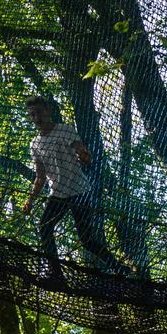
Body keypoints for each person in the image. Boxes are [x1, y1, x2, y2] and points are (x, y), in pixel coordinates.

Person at [19, 95, 127, 278]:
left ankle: (119, 268)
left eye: (39, 112)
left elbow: (81, 149)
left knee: (87, 240)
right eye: (32, 114)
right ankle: (56, 274)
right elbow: (40, 176)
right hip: (59, 193)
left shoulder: (65, 130)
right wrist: (30, 200)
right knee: (45, 227)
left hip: (79, 191)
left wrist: (84, 155)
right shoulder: (35, 143)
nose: (36, 118)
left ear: (48, 111)